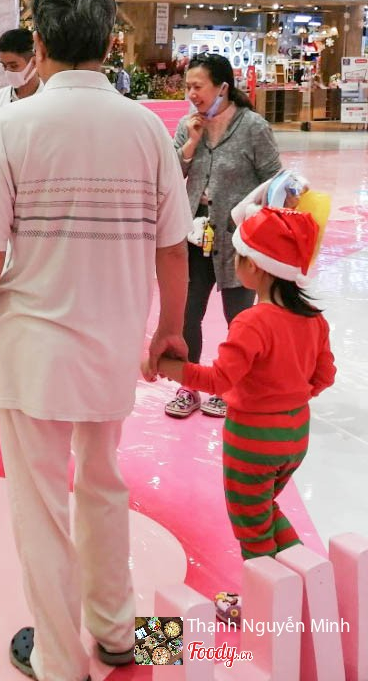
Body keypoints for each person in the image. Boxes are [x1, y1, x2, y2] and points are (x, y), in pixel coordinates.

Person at [0, 0, 192, 681]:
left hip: (34, 347)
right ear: (110, 41)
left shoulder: (13, 126)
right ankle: (118, 633)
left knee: (41, 509)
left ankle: (60, 660)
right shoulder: (147, 128)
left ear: (39, 42)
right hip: (114, 344)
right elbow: (174, 247)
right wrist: (170, 330)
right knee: (105, 485)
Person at [158, 205, 335, 619]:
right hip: (295, 435)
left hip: (253, 443)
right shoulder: (313, 321)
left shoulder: (253, 322)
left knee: (252, 528)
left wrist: (166, 367)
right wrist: (288, 396)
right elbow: (325, 375)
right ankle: (307, 582)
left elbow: (219, 380)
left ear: (253, 266)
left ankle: (263, 610)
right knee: (265, 509)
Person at [166, 52, 282, 420]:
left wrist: (254, 220)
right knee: (188, 313)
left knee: (239, 318)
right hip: (194, 233)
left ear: (222, 88)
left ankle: (232, 385)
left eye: (197, 86)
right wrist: (190, 143)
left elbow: (274, 181)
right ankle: (189, 385)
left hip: (238, 239)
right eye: (187, 87)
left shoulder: (253, 127)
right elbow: (170, 174)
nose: (191, 94)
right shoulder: (188, 125)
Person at [0, 28, 44, 123]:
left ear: (34, 62)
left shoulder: (48, 96)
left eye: (14, 66)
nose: (8, 71)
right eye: (4, 65)